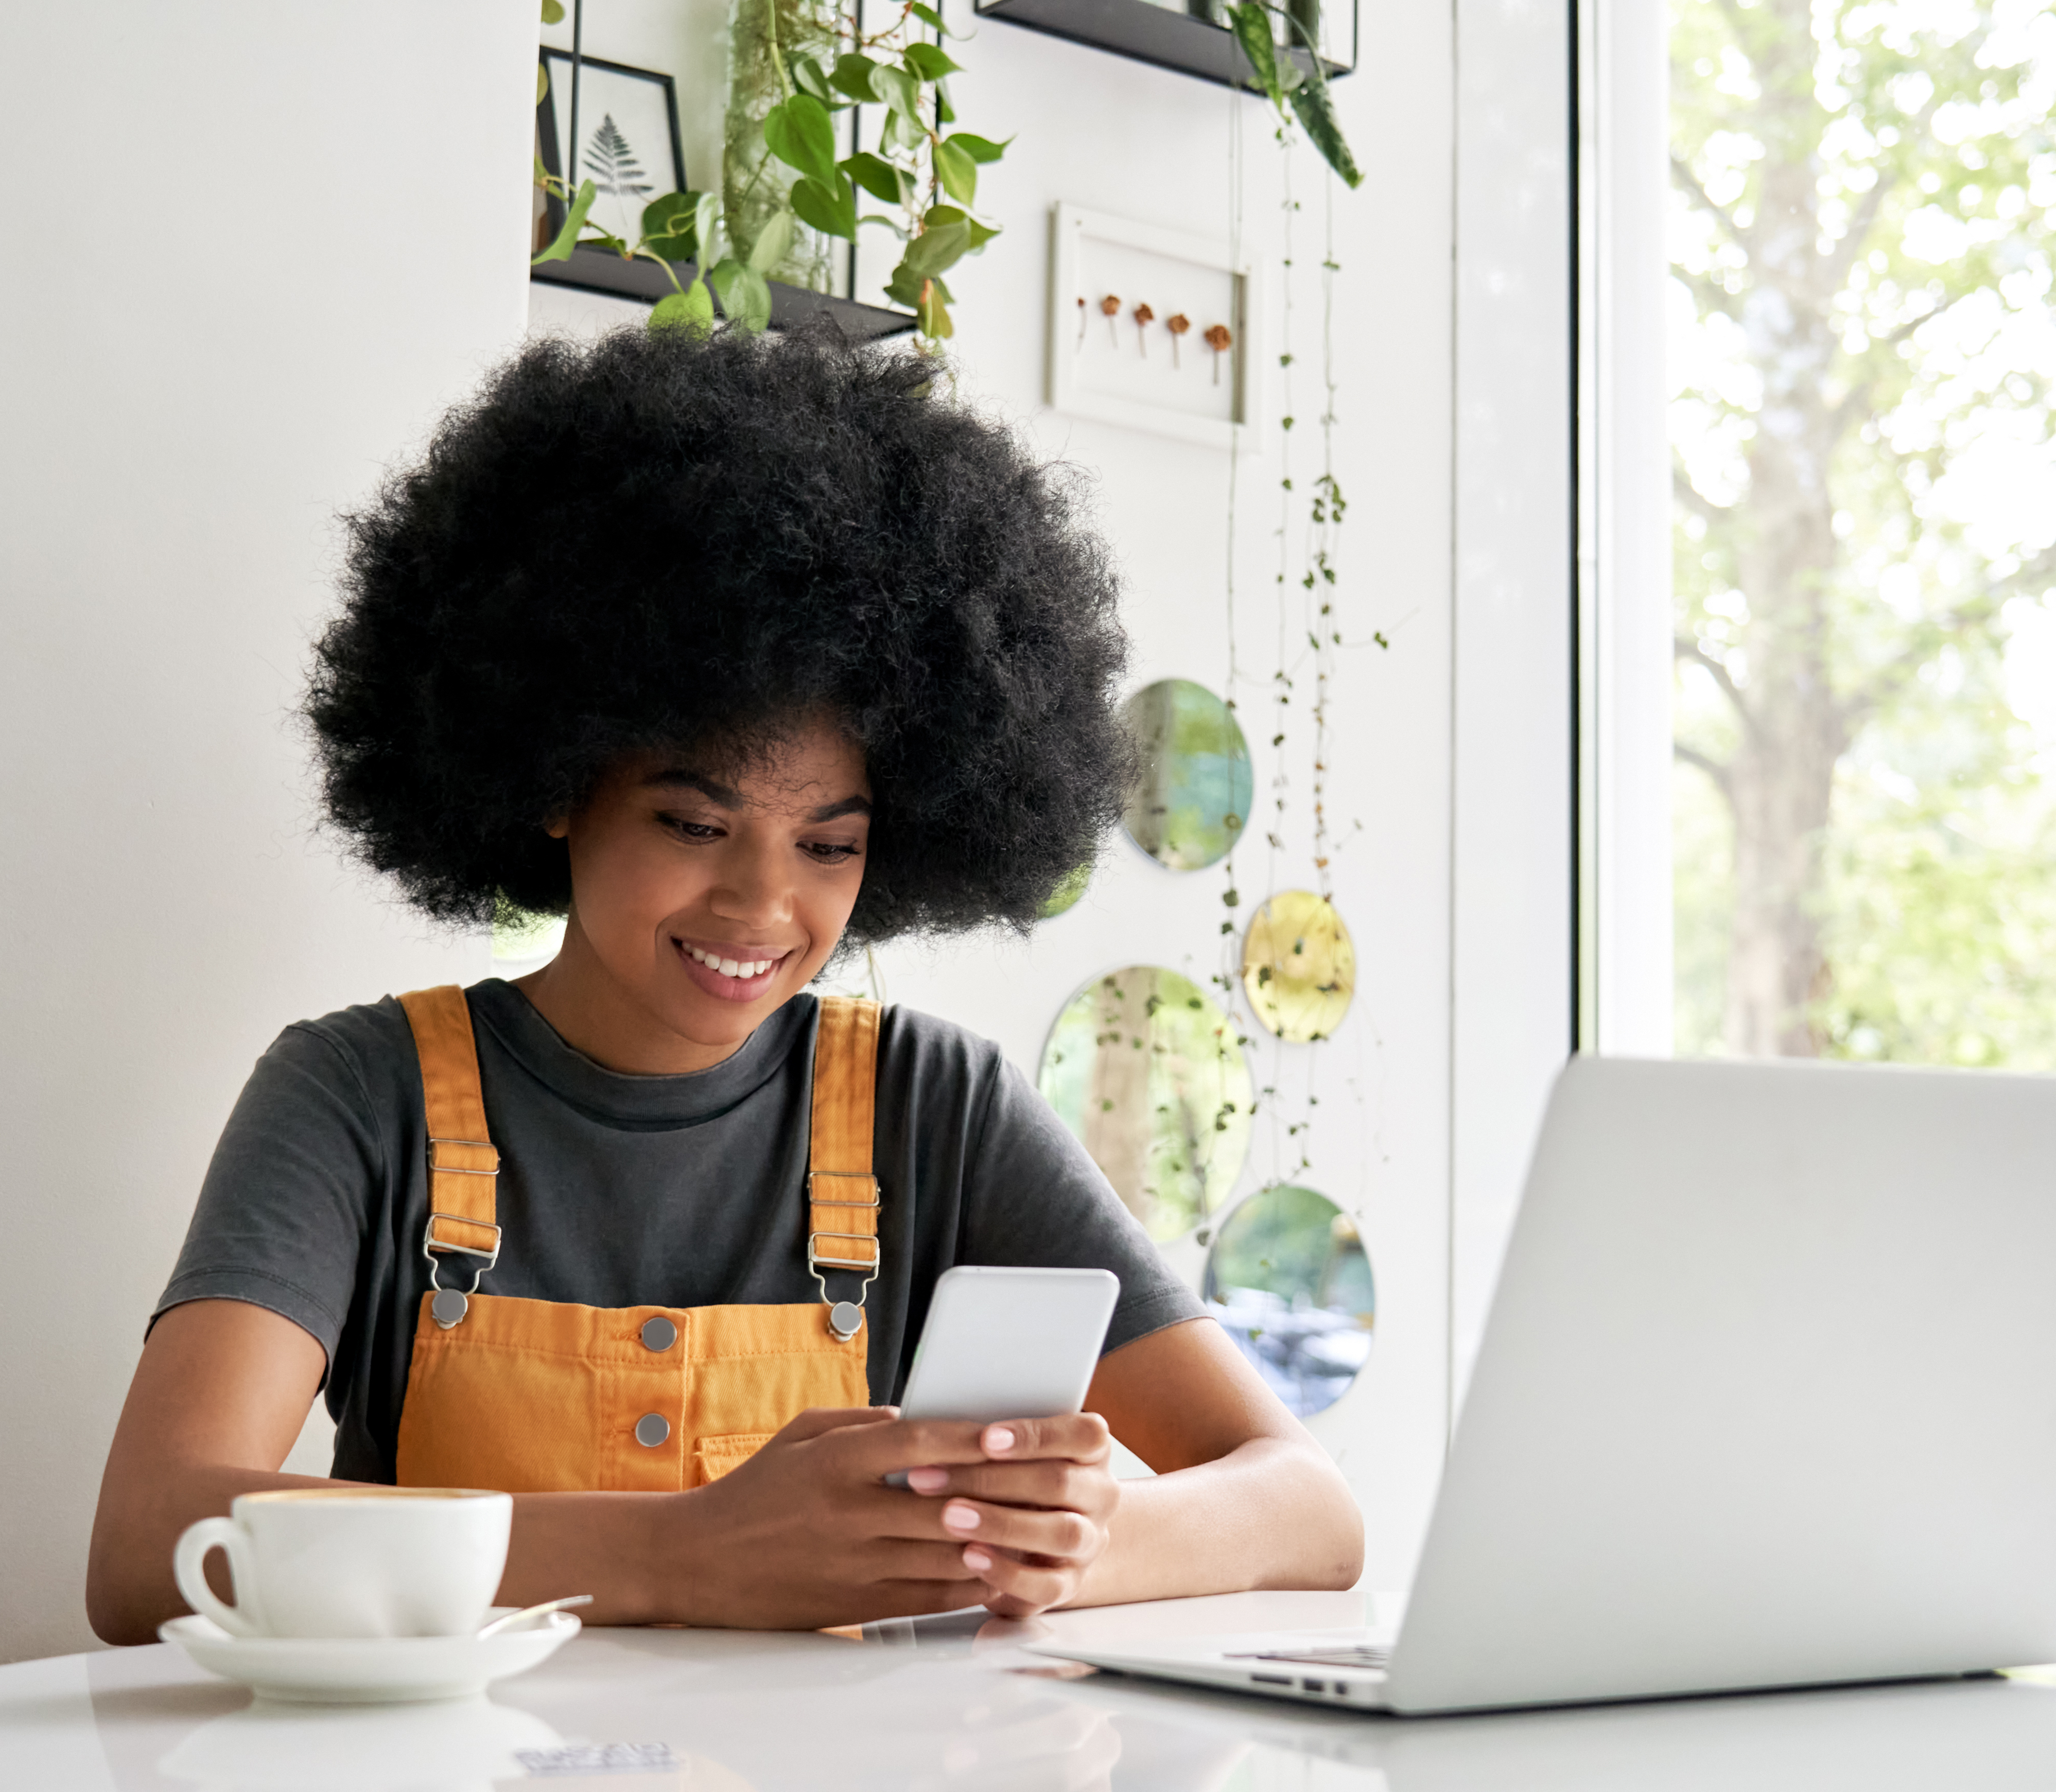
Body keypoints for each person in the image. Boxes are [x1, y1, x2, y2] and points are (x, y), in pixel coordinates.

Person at [84, 329, 1364, 1644]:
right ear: (554, 785)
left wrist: (1072, 1543)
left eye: (829, 845)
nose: (762, 906)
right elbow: (149, 1546)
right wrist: (689, 1553)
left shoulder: (938, 1106)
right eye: (694, 826)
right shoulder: (360, 1096)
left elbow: (1311, 1510)